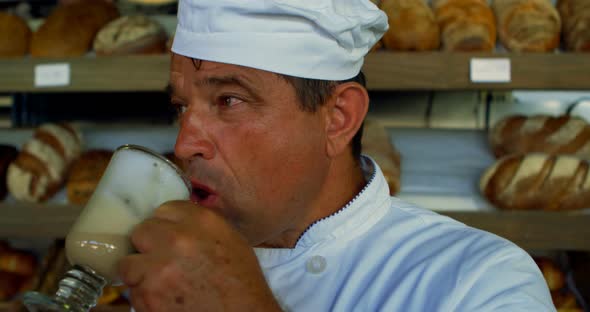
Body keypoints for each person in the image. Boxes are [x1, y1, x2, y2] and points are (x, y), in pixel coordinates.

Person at [118, 0, 556, 311]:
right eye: (180, 107)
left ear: (338, 119)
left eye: (229, 101)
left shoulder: (478, 283)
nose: (183, 144)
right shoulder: (170, 266)